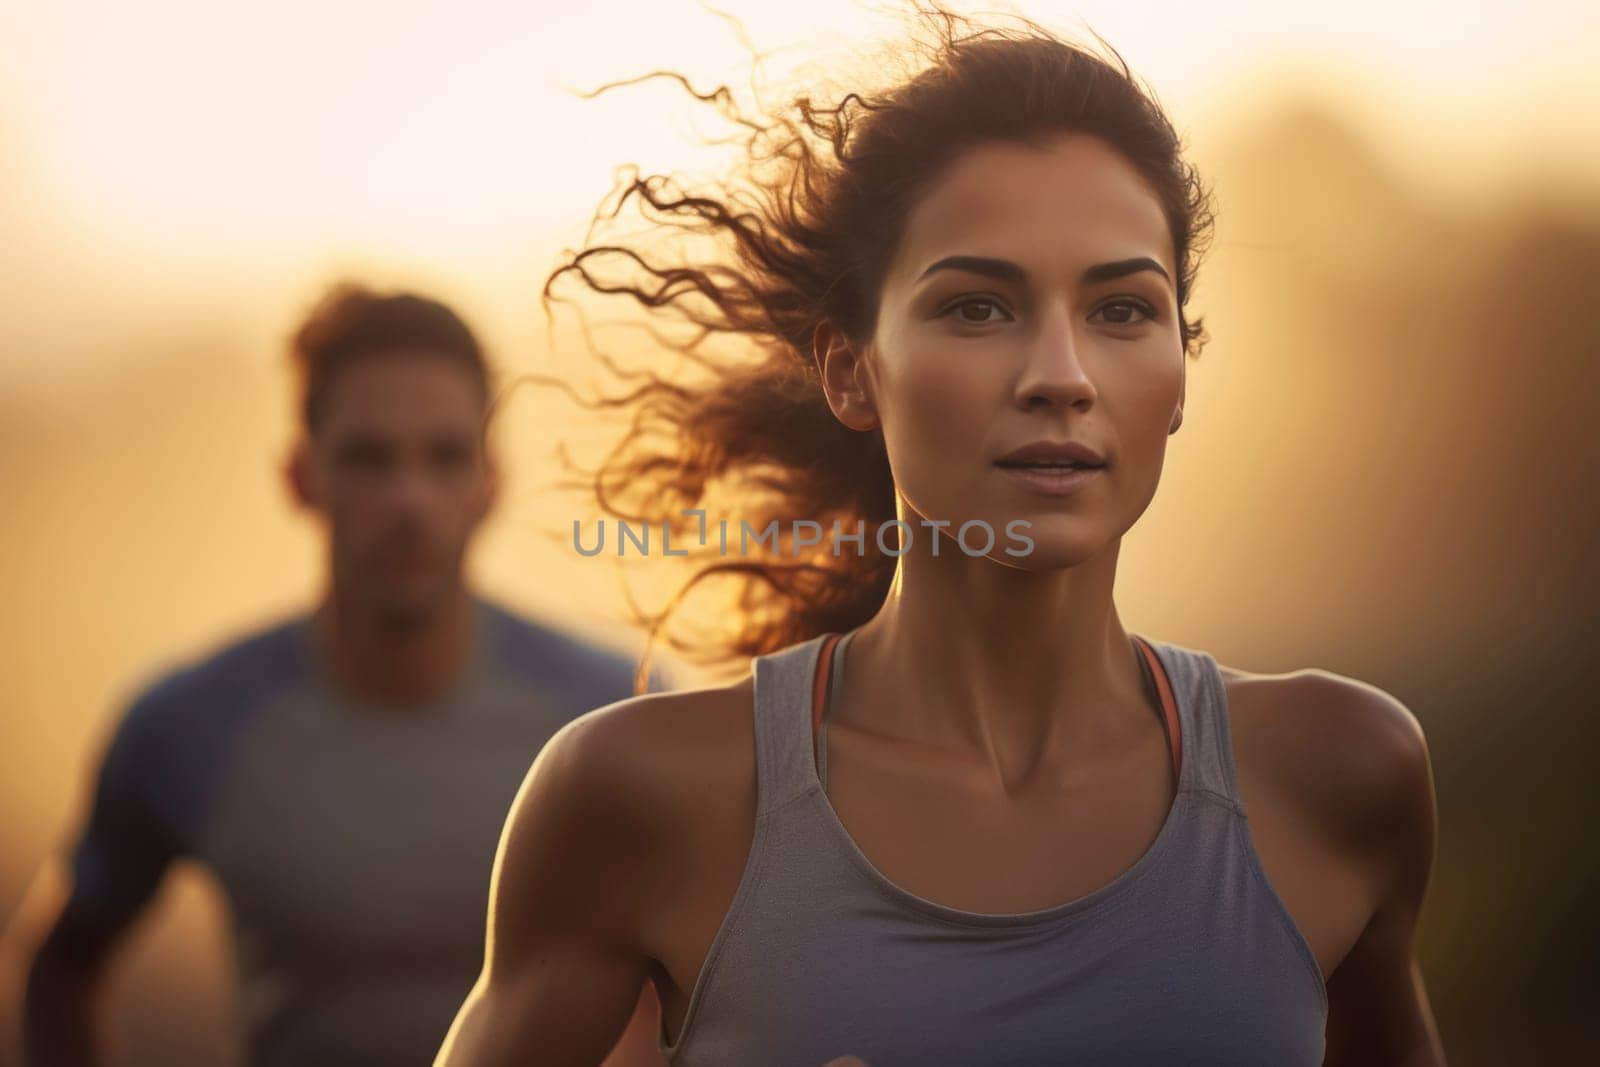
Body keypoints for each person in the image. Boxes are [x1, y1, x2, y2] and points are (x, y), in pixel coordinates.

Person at [436, 5, 1446, 1065]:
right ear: (849, 370)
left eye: (1122, 310)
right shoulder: (642, 794)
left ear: (1180, 369)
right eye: (976, 308)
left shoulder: (1339, 775)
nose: (1060, 374)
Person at [13, 283, 667, 1065]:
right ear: (301, 475)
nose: (408, 499)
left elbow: (711, 984)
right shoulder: (191, 723)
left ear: (490, 482)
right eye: (369, 458)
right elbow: (59, 966)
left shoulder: (616, 715)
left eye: (444, 456)